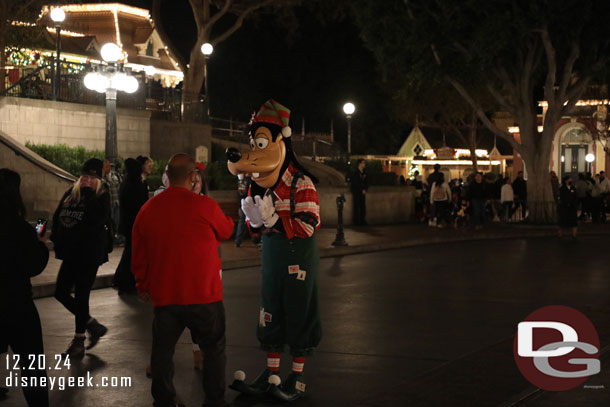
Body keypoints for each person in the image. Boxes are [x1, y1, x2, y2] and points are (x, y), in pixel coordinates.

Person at [132, 153, 234, 407]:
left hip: (167, 295)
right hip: (204, 295)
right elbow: (227, 230)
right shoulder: (204, 206)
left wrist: (143, 285)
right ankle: (214, 400)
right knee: (213, 351)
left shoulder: (148, 209)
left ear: (167, 176)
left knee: (162, 351)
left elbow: (138, 253)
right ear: (192, 176)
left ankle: (164, 400)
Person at [0, 169, 50, 407]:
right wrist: (40, 244)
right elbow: (33, 264)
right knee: (32, 367)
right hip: (17, 305)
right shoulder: (19, 228)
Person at [51, 158, 110, 358]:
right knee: (60, 292)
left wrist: (89, 194)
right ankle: (93, 325)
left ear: (99, 180)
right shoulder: (70, 193)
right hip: (70, 252)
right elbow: (54, 216)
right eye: (85, 177)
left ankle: (78, 341)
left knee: (82, 295)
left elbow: (99, 219)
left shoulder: (102, 195)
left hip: (89, 253)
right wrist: (39, 231)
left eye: (92, 178)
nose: (87, 181)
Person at [113, 158, 149, 294]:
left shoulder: (126, 183)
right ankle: (124, 282)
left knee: (129, 252)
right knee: (130, 253)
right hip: (134, 224)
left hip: (128, 223)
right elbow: (141, 205)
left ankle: (120, 279)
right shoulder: (136, 185)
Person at [103, 160, 123, 244]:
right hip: (109, 203)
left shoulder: (115, 176)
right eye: (106, 166)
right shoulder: (102, 177)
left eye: (109, 166)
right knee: (110, 221)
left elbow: (119, 186)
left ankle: (116, 238)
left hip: (116, 202)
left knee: (117, 220)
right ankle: (110, 237)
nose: (108, 168)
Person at [350, 159, 368, 225]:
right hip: (356, 192)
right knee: (356, 206)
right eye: (363, 163)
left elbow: (366, 182)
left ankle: (363, 220)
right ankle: (356, 221)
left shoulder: (364, 172)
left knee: (363, 206)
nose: (364, 164)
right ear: (359, 164)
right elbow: (355, 183)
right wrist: (361, 189)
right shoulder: (355, 173)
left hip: (362, 192)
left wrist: (365, 189)